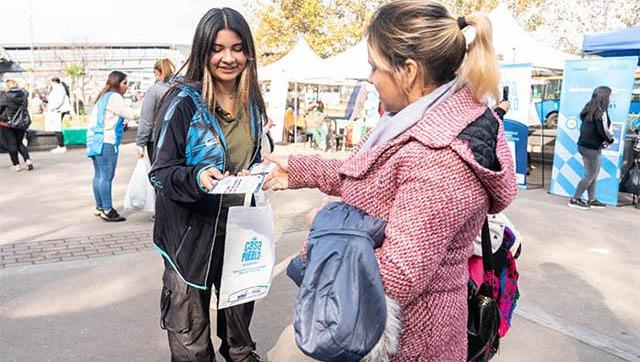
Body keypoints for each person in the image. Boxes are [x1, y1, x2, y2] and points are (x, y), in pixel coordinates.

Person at [263, 1, 517, 361]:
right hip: (373, 329)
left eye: (374, 66)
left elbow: (397, 274)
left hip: (407, 343)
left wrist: (325, 226)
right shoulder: (413, 121)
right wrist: (300, 170)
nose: (370, 77)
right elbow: (368, 175)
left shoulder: (441, 158)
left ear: (409, 72)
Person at [149, 8, 267, 362]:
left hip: (240, 233)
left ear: (248, 52)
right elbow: (161, 172)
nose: (228, 58)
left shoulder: (252, 101)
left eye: (237, 48)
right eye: (217, 48)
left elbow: (251, 155)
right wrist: (197, 176)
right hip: (189, 239)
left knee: (240, 343)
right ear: (203, 50)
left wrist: (257, 172)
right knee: (192, 346)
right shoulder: (183, 101)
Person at [86, 71, 140, 222]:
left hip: (94, 140)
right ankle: (108, 210)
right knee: (106, 177)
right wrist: (150, 108)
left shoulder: (103, 96)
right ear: (117, 83)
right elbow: (131, 114)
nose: (126, 87)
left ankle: (100, 207)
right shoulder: (114, 96)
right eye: (124, 83)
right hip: (106, 142)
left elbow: (108, 119)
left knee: (98, 175)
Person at [568, 86, 615, 210]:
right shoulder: (601, 112)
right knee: (591, 174)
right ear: (604, 97)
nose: (611, 98)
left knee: (593, 174)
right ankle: (575, 199)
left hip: (584, 145)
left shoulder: (589, 108)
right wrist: (610, 140)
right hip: (592, 148)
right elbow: (603, 131)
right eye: (610, 95)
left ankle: (591, 199)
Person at [135, 58, 175, 161]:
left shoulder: (153, 91)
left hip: (157, 140)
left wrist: (140, 143)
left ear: (157, 72)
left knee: (158, 173)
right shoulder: (178, 89)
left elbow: (146, 119)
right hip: (176, 139)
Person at [0, 80, 33, 171]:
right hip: (21, 122)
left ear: (8, 86)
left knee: (12, 144)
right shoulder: (23, 95)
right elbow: (25, 107)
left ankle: (16, 165)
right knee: (19, 143)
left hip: (7, 123)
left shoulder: (5, 95)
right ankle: (28, 160)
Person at [48, 77, 73, 153]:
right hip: (58, 110)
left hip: (58, 110)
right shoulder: (59, 88)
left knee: (57, 128)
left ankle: (61, 146)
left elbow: (59, 100)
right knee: (57, 128)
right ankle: (60, 145)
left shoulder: (59, 89)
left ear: (54, 82)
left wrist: (53, 108)